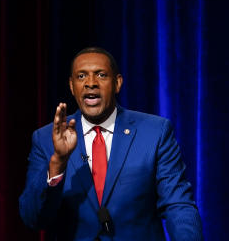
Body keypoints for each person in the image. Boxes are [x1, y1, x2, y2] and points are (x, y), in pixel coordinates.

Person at [19, 47, 202, 240]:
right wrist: (58, 162)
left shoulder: (155, 132)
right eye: (81, 76)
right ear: (72, 87)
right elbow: (33, 218)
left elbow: (178, 205)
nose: (91, 83)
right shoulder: (45, 139)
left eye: (101, 75)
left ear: (117, 83)